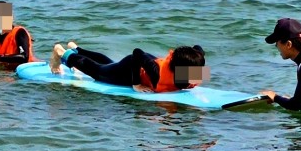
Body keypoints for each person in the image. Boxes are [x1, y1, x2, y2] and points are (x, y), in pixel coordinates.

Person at [49, 41, 208, 93]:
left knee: (108, 63)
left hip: (139, 63)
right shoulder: (157, 73)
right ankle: (62, 53)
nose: (197, 75)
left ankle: (77, 49)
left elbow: (198, 48)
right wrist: (136, 83)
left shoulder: (191, 66)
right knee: (98, 71)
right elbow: (137, 53)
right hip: (129, 68)